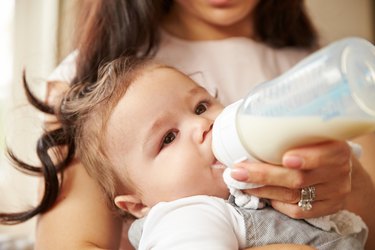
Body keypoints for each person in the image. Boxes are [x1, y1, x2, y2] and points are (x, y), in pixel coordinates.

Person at [2, 0, 375, 249]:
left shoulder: (328, 78)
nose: (204, 128)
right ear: (133, 203)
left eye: (202, 106)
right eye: (167, 138)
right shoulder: (91, 90)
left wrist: (328, 192)